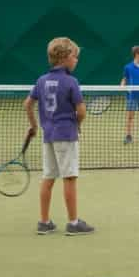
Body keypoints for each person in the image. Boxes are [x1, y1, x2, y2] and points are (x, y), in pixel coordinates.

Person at [24, 37, 94, 236]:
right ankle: (73, 223)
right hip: (66, 135)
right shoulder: (71, 81)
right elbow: (81, 111)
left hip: (49, 136)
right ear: (64, 57)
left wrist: (34, 126)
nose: (77, 60)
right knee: (69, 178)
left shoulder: (41, 80)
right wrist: (78, 123)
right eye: (75, 56)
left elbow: (27, 104)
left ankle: (44, 222)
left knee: (48, 177)